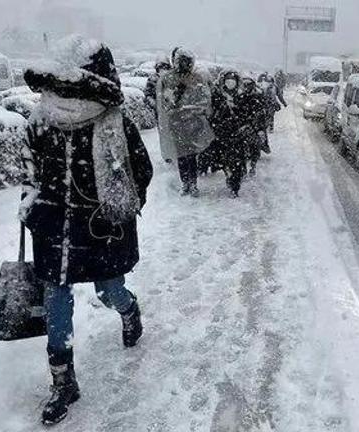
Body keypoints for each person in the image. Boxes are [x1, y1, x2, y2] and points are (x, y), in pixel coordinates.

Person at [20, 35, 153, 425]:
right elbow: (28, 170)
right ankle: (63, 381)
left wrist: (119, 210)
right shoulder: (41, 119)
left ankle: (129, 310)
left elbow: (140, 172)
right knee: (56, 302)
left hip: (100, 229)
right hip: (54, 229)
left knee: (109, 290)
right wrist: (32, 206)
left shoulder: (114, 122)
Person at [156, 48, 214, 197]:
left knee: (190, 155)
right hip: (177, 123)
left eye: (185, 61)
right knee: (182, 155)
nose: (183, 64)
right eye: (180, 61)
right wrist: (173, 108)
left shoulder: (197, 78)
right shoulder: (168, 79)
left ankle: (192, 184)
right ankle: (186, 183)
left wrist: (191, 110)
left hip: (192, 123)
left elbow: (205, 100)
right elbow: (163, 101)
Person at [209, 70, 247, 197]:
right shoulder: (217, 95)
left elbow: (247, 113)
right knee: (224, 160)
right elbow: (212, 114)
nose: (230, 82)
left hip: (238, 135)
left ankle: (234, 185)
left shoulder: (242, 96)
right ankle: (229, 176)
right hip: (222, 134)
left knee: (237, 162)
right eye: (228, 79)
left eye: (233, 80)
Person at [239, 77, 267, 176]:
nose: (246, 87)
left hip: (255, 126)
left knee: (255, 147)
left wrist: (260, 128)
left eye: (248, 85)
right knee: (242, 149)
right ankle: (244, 168)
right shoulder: (239, 96)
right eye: (245, 85)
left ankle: (252, 166)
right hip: (243, 126)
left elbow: (262, 113)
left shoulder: (258, 96)